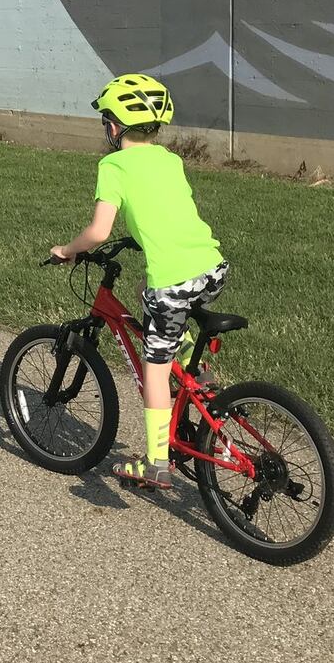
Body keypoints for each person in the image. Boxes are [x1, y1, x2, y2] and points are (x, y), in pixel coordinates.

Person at [48, 74, 227, 490]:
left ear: (114, 126)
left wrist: (68, 250)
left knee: (155, 370)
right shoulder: (170, 160)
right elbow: (167, 211)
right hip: (213, 268)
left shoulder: (112, 165)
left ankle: (156, 461)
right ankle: (198, 379)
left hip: (173, 280)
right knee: (162, 319)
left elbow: (97, 232)